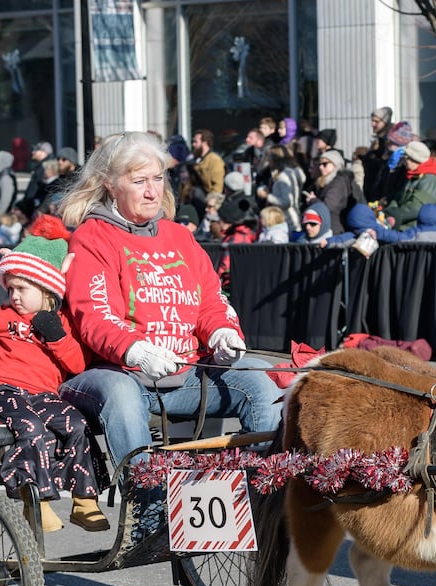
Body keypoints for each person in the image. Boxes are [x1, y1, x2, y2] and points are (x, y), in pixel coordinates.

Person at [57, 132, 281, 469]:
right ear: (111, 184)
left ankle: (262, 496)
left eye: (158, 178)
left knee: (262, 379)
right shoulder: (92, 236)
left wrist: (222, 332)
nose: (152, 191)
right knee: (122, 396)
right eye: (139, 181)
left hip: (186, 372)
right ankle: (147, 509)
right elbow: (95, 316)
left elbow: (210, 299)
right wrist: (137, 350)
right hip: (117, 373)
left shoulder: (180, 236)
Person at [0, 237, 104, 532]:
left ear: (46, 289)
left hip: (42, 393)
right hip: (1, 389)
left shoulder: (63, 321)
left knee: (76, 424)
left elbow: (77, 364)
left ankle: (85, 500)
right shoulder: (3, 315)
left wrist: (56, 337)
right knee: (30, 427)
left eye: (22, 289)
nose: (14, 296)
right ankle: (37, 503)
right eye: (11, 288)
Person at [386, 139, 436, 228]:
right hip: (403, 225)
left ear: (415, 159)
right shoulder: (412, 177)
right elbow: (398, 198)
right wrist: (389, 211)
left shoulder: (429, 180)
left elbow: (416, 207)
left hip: (415, 229)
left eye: (406, 158)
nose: (404, 161)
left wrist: (393, 215)